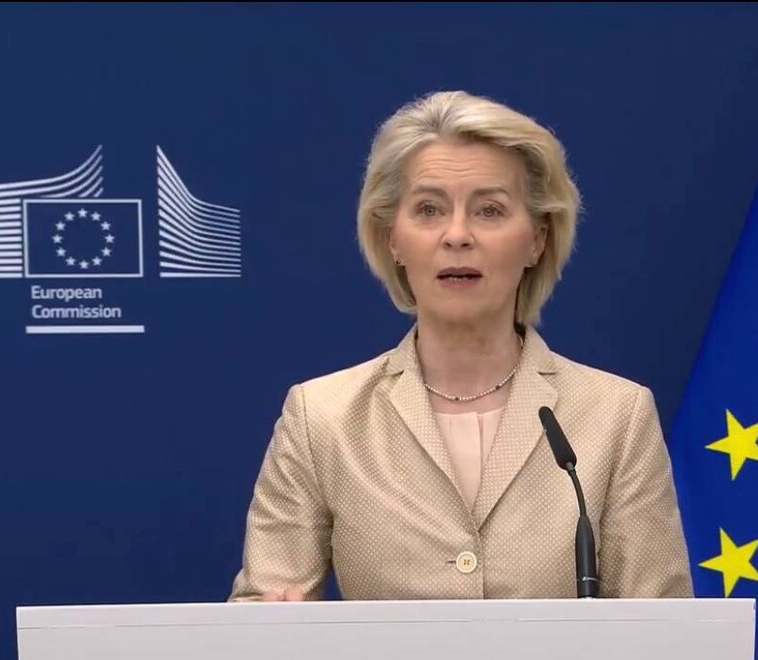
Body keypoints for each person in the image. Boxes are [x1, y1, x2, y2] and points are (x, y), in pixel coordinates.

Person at [228, 90, 692, 602]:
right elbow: (262, 612)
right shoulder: (323, 418)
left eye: (489, 210)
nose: (456, 235)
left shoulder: (616, 416)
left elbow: (664, 628)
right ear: (393, 238)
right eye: (429, 209)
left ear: (537, 239)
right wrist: (270, 625)